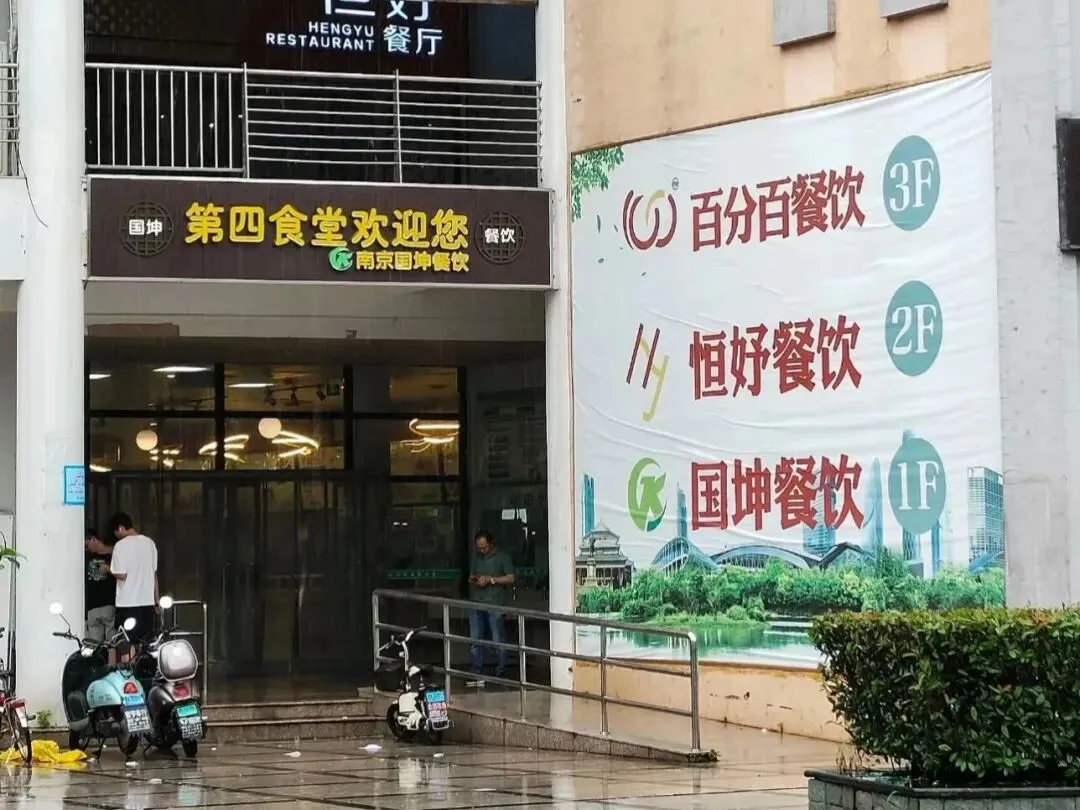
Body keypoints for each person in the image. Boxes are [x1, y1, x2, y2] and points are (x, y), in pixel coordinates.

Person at [105, 512, 159, 661]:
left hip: (128, 603)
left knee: (126, 644)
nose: (116, 536)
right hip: (147, 602)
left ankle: (129, 670)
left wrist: (108, 569)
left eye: (116, 532)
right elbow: (154, 575)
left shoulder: (121, 546)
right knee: (146, 643)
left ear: (121, 528)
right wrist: (156, 600)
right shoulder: (150, 543)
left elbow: (122, 574)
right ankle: (144, 669)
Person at [466, 529, 515, 686]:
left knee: (498, 639)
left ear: (491, 544)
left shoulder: (503, 557)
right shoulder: (476, 558)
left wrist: (491, 580)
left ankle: (502, 671)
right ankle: (477, 671)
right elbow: (471, 576)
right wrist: (476, 579)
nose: (482, 550)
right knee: (475, 640)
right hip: (476, 602)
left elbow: (511, 578)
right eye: (479, 548)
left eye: (484, 547)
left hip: (495, 603)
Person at [84, 527, 116, 647]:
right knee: (94, 645)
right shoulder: (86, 556)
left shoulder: (115, 554)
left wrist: (109, 569)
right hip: (91, 607)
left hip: (108, 603)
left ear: (93, 539)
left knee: (111, 644)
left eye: (87, 545)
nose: (86, 549)